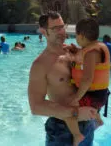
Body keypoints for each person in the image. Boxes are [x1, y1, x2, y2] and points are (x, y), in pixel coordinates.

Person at [28, 12, 97, 146]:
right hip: (61, 130)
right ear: (44, 32)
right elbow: (36, 106)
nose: (62, 32)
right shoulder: (40, 65)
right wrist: (76, 113)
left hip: (87, 125)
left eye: (62, 26)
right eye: (55, 29)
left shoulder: (73, 52)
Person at [63, 19, 110, 146]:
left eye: (76, 35)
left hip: (93, 96)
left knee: (66, 110)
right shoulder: (92, 48)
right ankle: (97, 118)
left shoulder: (92, 53)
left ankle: (77, 135)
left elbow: (87, 79)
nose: (76, 38)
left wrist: (76, 97)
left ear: (82, 35)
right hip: (98, 95)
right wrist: (75, 50)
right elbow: (82, 55)